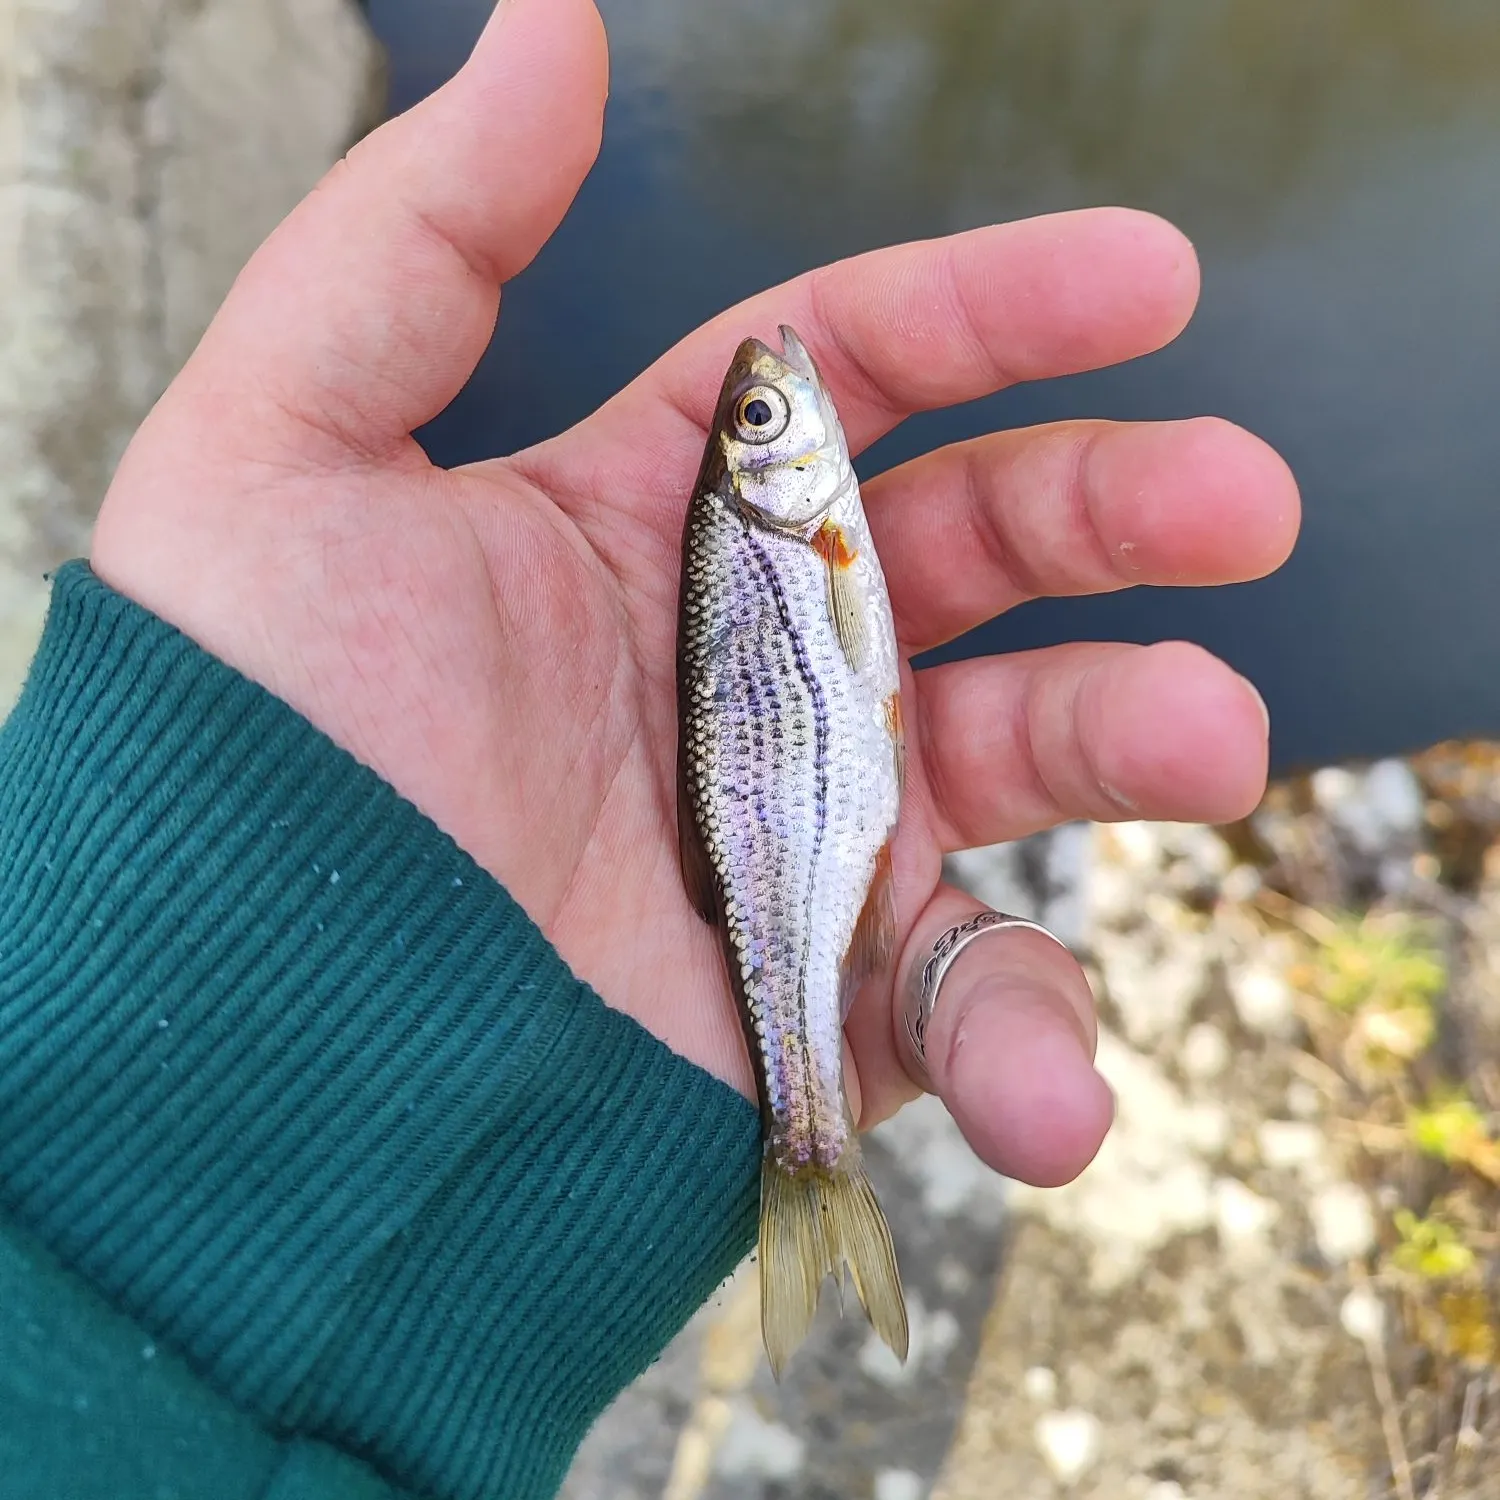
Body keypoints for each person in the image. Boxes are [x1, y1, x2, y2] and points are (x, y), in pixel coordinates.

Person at [0, 1, 1300, 1496]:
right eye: (765, 414)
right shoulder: (789, 526)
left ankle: (805, 1164)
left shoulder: (779, 528)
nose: (778, 402)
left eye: (759, 413)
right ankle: (806, 1162)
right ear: (778, 467)